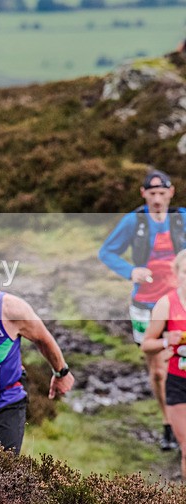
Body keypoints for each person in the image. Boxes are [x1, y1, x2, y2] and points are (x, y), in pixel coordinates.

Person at [99, 168, 186, 450]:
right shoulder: (133, 221)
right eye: (152, 194)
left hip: (179, 301)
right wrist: (130, 270)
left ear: (171, 192)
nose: (158, 199)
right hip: (146, 304)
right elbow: (107, 252)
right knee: (159, 368)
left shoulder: (181, 219)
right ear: (143, 194)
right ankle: (168, 424)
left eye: (162, 193)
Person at [0, 290, 75, 454]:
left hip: (7, 400)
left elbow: (43, 339)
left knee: (4, 467)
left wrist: (61, 372)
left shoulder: (11, 309)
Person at [141, 249, 186, 477]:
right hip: (178, 383)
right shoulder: (166, 304)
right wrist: (166, 340)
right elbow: (146, 344)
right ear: (177, 274)